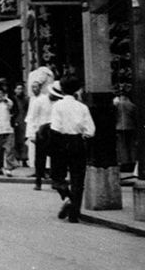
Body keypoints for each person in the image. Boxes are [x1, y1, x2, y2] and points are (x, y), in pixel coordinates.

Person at [48, 76, 95, 223]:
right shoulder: (82, 107)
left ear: (61, 89)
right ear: (77, 90)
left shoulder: (57, 106)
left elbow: (55, 127)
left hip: (61, 142)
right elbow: (90, 130)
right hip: (78, 142)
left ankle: (69, 198)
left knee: (57, 177)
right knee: (78, 178)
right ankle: (74, 213)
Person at [25, 70, 57, 190]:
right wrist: (32, 134)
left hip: (54, 131)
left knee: (55, 158)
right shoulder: (39, 101)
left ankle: (55, 180)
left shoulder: (58, 102)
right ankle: (38, 181)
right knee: (40, 158)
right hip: (42, 132)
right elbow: (32, 118)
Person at [114, 85, 137, 176]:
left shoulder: (117, 105)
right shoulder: (132, 105)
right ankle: (132, 161)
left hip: (120, 127)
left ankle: (124, 162)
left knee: (122, 146)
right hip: (130, 127)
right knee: (131, 145)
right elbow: (135, 117)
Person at [11, 82, 30, 169]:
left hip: (24, 120)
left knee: (24, 141)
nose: (19, 90)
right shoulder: (12, 99)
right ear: (15, 90)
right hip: (15, 121)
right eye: (18, 89)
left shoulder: (26, 99)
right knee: (16, 141)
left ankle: (24, 159)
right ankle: (17, 158)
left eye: (21, 89)